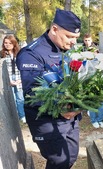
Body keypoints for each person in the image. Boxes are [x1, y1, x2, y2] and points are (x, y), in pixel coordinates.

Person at [16, 9, 82, 168]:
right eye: (70, 36)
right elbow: (33, 92)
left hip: (70, 117)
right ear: (54, 29)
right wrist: (61, 107)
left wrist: (80, 103)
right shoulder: (32, 54)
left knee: (71, 156)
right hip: (46, 119)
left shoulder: (67, 50)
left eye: (76, 38)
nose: (73, 42)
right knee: (60, 159)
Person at [1, 35, 26, 123]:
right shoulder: (2, 54)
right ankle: (14, 118)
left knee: (20, 98)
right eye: (5, 43)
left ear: (14, 43)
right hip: (8, 78)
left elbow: (23, 67)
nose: (7, 45)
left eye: (10, 43)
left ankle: (22, 117)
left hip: (18, 77)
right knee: (11, 99)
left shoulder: (20, 53)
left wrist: (20, 80)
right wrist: (9, 80)